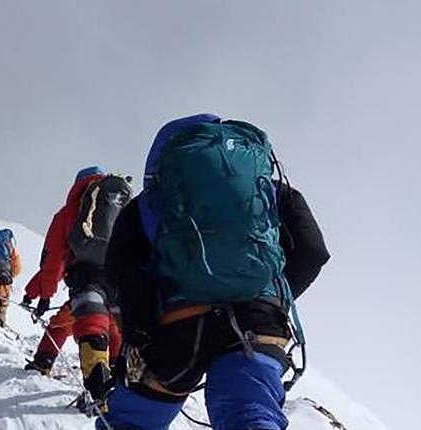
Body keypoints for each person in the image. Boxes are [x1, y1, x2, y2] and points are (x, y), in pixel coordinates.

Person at [100, 114, 330, 430]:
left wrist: (140, 329)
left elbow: (120, 270)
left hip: (177, 327)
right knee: (251, 416)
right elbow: (313, 252)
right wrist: (270, 298)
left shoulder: (150, 202)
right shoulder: (271, 191)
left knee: (132, 422)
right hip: (257, 322)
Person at [22, 166, 132, 402]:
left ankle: (49, 365)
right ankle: (117, 384)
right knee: (115, 327)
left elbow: (53, 261)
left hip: (87, 277)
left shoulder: (69, 212)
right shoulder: (121, 208)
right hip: (121, 280)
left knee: (68, 324)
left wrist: (43, 295)